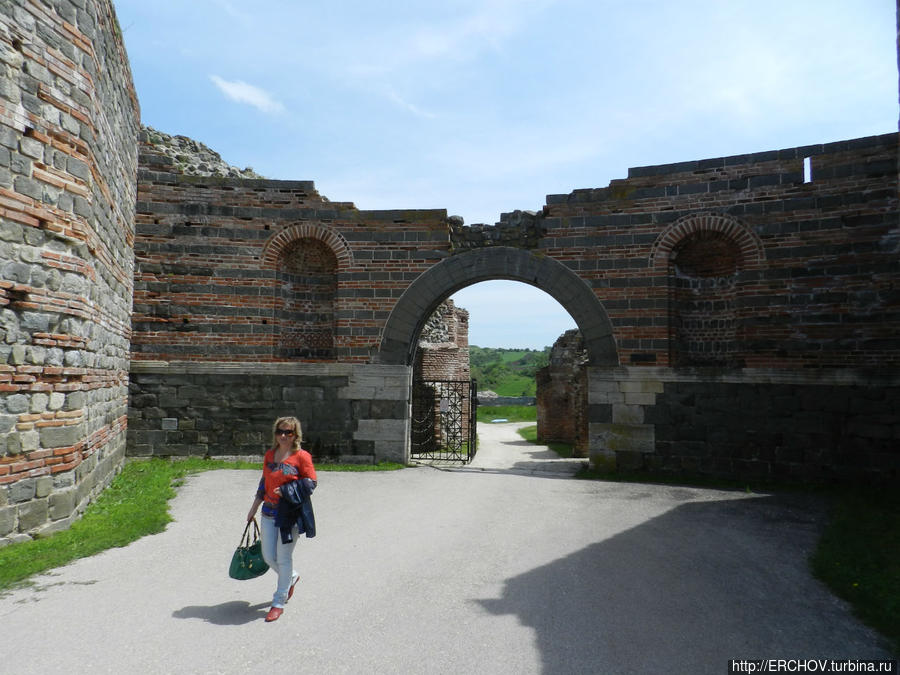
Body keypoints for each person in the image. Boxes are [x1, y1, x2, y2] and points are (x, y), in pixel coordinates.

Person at [246, 416, 317, 622]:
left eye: (289, 432)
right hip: (268, 512)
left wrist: (286, 490)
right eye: (280, 432)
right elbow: (263, 482)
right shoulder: (270, 455)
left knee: (283, 558)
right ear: (275, 433)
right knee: (269, 557)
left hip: (290, 515)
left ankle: (278, 601)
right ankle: (292, 577)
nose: (284, 436)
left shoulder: (301, 457)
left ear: (296, 435)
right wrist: (253, 508)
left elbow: (311, 483)